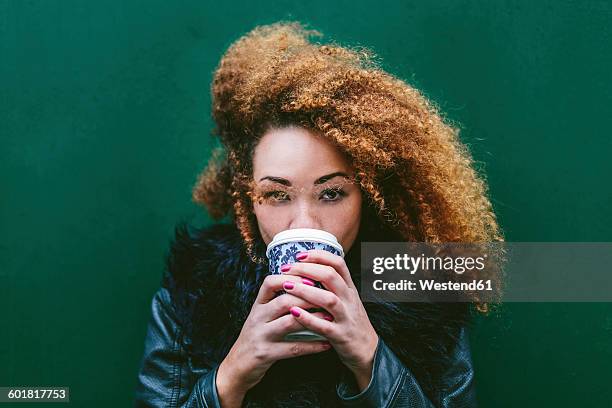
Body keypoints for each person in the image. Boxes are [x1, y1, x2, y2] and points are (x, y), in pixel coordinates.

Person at [134, 21, 504, 407]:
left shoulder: (425, 296)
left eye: (331, 193)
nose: (305, 223)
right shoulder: (190, 293)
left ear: (367, 195)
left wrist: (370, 357)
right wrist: (233, 374)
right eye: (277, 195)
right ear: (247, 200)